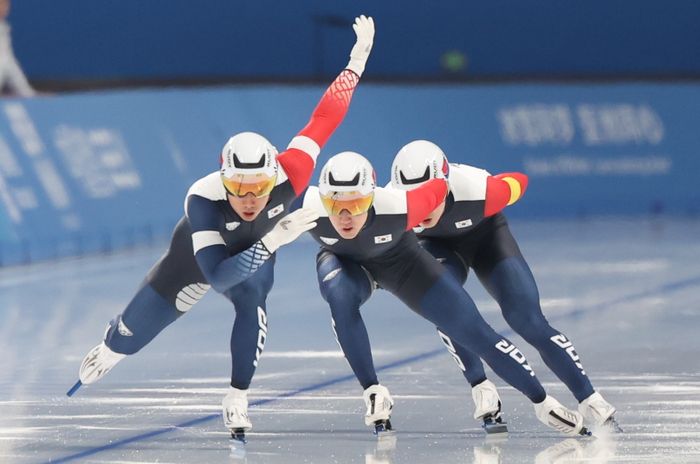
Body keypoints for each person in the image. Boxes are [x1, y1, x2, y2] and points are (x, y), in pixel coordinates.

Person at [72, 15, 375, 441]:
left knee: (252, 299)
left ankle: (237, 396)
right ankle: (113, 343)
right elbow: (215, 275)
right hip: (193, 265)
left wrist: (356, 62)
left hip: (256, 259)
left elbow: (325, 116)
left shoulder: (294, 170)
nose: (250, 198)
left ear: (274, 176)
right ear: (223, 180)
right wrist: (273, 237)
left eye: (259, 188)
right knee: (128, 340)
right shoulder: (203, 198)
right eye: (238, 188)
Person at [303, 151, 590, 436]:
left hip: (402, 267)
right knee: (339, 296)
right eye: (334, 204)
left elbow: (444, 186)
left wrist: (540, 400)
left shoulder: (400, 205)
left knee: (473, 329)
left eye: (357, 204)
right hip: (351, 268)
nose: (345, 216)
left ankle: (541, 402)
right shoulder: (310, 209)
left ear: (372, 197)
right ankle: (373, 392)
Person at [389, 139, 620, 431]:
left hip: (486, 237)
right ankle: (481, 387)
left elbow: (519, 181)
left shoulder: (480, 190)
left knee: (528, 321)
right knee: (446, 310)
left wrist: (505, 186)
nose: (422, 208)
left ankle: (590, 398)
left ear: (445, 184)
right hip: (434, 245)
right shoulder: (393, 206)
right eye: (413, 199)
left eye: (429, 196)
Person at [0, 0, 35, 97]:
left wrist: (28, 94)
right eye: (1, 4)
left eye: (6, 4)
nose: (5, 8)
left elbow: (8, 60)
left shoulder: (4, 27)